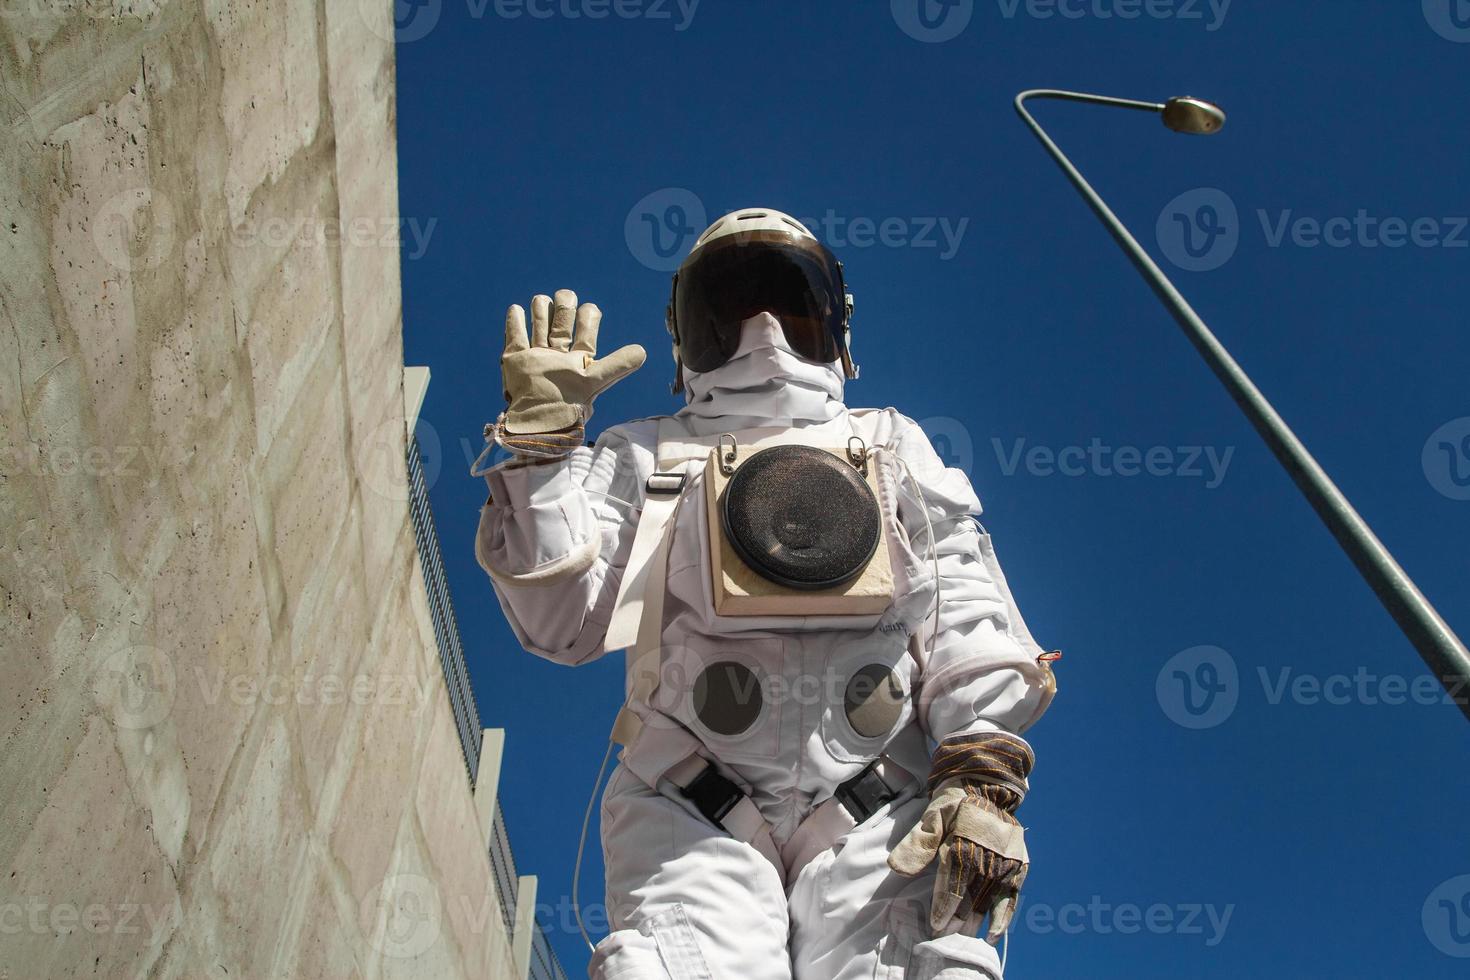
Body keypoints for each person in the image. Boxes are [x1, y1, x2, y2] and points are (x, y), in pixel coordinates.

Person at [475, 208, 1056, 979]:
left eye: (791, 304)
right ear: (689, 338)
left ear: (837, 330)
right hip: (687, 799)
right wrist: (543, 460)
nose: (764, 334)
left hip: (879, 801)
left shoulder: (890, 441)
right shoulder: (645, 453)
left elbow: (960, 606)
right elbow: (562, 622)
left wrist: (980, 766)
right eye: (732, 308)